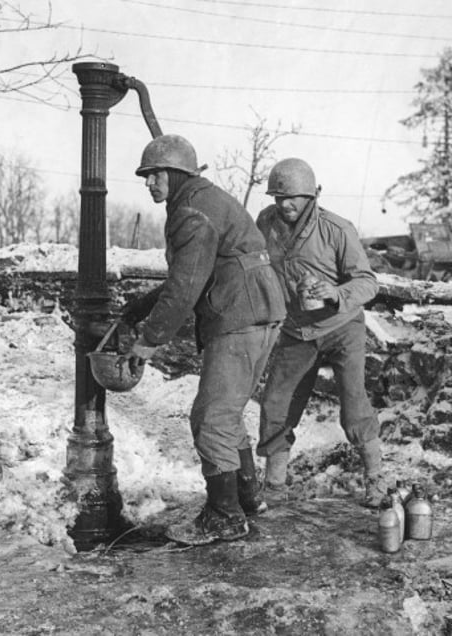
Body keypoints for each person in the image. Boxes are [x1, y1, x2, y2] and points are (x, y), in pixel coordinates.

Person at [121, 134, 286, 545]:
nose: (148, 183)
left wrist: (147, 341)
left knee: (209, 418)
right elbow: (195, 274)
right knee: (226, 413)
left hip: (237, 316)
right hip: (260, 310)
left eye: (154, 174)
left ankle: (224, 515)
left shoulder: (190, 212)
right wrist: (142, 305)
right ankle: (246, 497)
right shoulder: (204, 199)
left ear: (175, 174)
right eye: (146, 175)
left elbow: (186, 286)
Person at [255, 157, 385, 507]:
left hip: (342, 327)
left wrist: (336, 293)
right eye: (278, 197)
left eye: (294, 197)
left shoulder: (336, 229)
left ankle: (376, 480)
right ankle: (275, 486)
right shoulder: (266, 223)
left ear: (313, 195)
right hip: (297, 331)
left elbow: (368, 282)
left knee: (354, 405)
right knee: (275, 404)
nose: (285, 204)